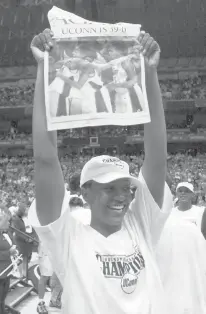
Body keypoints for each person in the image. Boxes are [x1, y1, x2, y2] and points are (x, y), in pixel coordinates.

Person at [29, 29, 173, 314]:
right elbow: (45, 159)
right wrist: (45, 69)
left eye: (125, 187)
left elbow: (157, 160)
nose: (122, 196)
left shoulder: (140, 224)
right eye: (109, 187)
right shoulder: (68, 239)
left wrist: (150, 74)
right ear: (86, 191)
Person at [0, 206, 18, 314]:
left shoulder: (7, 232)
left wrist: (15, 250)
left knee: (3, 295)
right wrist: (8, 253)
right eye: (7, 221)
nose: (9, 224)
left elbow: (13, 243)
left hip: (7, 270)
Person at [37, 242, 53, 314]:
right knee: (45, 276)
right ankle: (40, 302)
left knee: (58, 277)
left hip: (58, 248)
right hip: (46, 250)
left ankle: (55, 299)